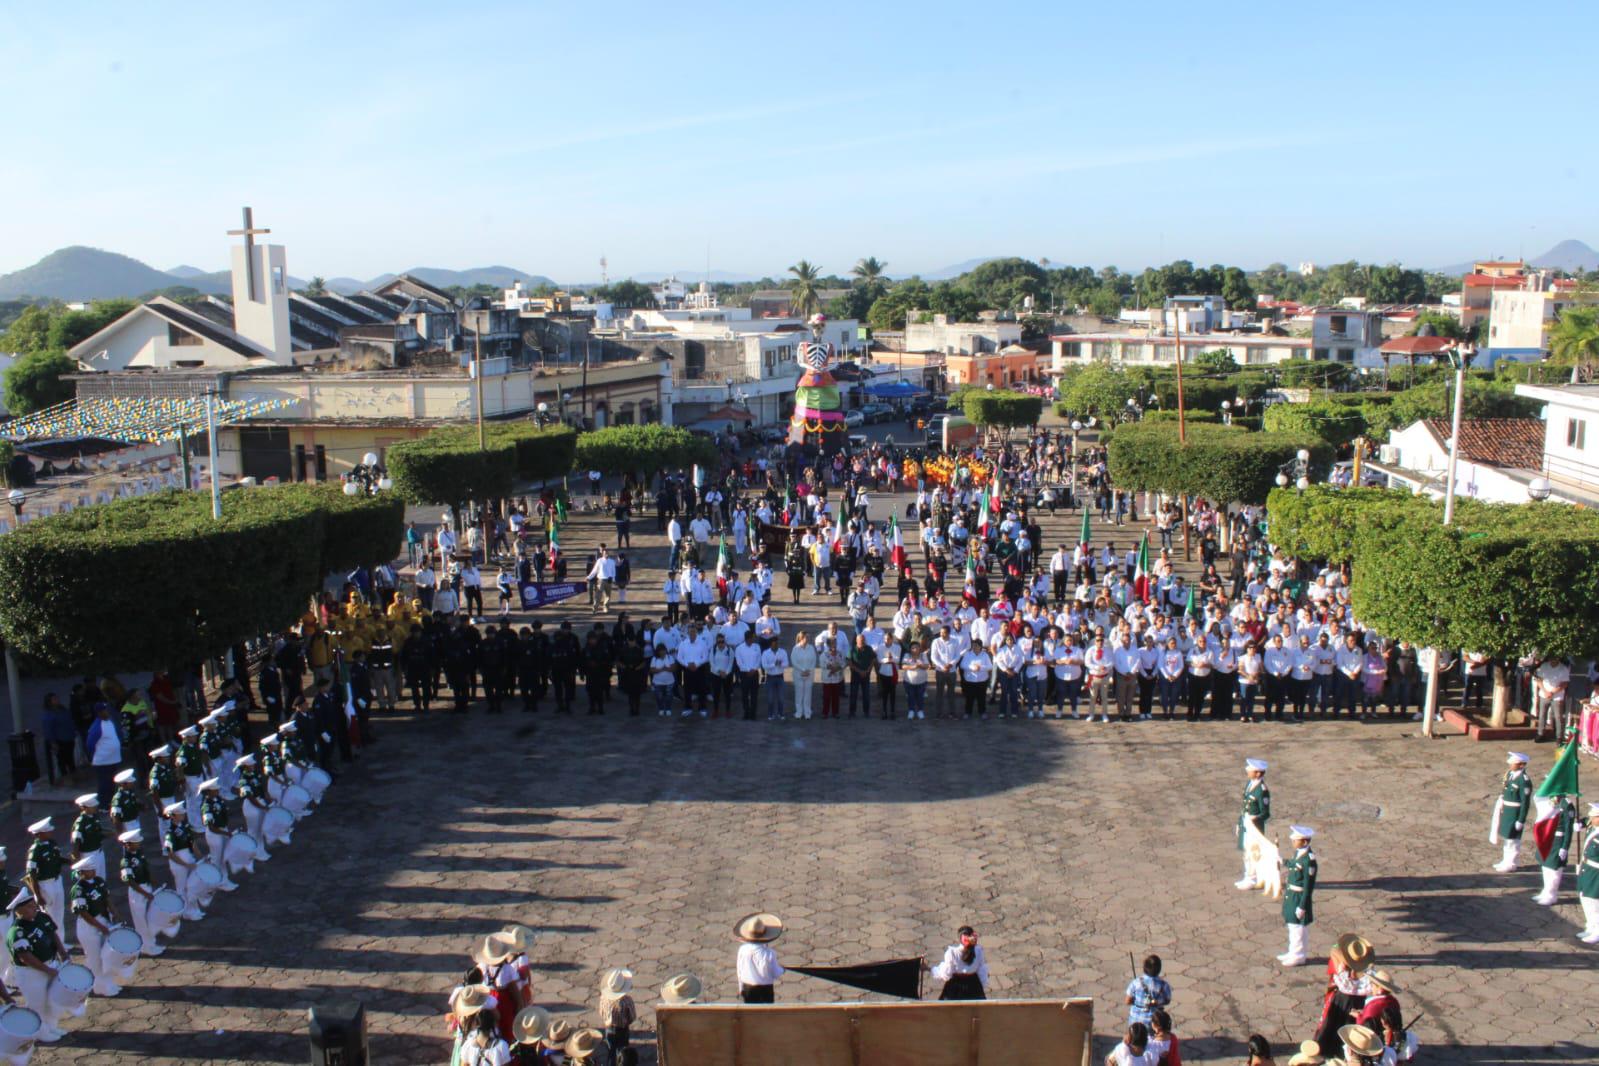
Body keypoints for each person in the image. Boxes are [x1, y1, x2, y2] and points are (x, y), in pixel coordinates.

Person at [6, 888, 68, 1043]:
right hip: (31, 973)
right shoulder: (17, 932)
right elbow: (26, 957)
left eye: (33, 904)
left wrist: (63, 953)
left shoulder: (41, 917)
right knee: (37, 1004)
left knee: (50, 1000)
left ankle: (50, 1027)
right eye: (29, 906)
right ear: (19, 911)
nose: (34, 907)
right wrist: (48, 970)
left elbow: (53, 934)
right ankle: (39, 1032)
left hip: (49, 965)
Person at [69, 856, 122, 996]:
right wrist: (100, 926)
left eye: (93, 869)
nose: (93, 871)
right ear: (82, 872)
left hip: (103, 919)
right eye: (90, 870)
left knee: (107, 955)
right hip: (89, 926)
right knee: (95, 958)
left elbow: (106, 898)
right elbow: (83, 912)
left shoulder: (99, 881)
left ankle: (108, 983)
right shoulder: (78, 889)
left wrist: (114, 912)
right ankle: (99, 987)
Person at [23, 817, 68, 952]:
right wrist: (38, 895)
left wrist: (70, 861)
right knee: (49, 916)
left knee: (59, 913)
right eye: (48, 831)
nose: (51, 833)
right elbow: (32, 875)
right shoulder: (35, 851)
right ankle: (52, 945)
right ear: (40, 834)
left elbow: (57, 859)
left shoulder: (51, 843)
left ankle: (62, 943)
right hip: (44, 885)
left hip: (56, 881)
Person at [118, 828, 163, 957]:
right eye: (136, 842)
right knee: (141, 920)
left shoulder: (139, 853)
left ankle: (152, 943)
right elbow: (130, 882)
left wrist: (153, 881)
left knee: (149, 917)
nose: (139, 843)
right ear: (128, 844)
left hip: (146, 887)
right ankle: (145, 946)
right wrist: (145, 893)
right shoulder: (125, 862)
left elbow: (145, 869)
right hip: (137, 892)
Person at [1279, 825, 1317, 967]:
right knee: (1292, 926)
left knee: (1298, 929)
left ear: (1305, 842)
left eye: (1296, 840)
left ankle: (1299, 955)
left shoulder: (1309, 860)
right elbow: (1293, 864)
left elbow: (1308, 886)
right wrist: (1282, 861)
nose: (1293, 842)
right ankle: (1292, 951)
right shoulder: (1298, 854)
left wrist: (1302, 905)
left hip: (1299, 897)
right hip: (1292, 894)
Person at [1491, 751, 1532, 872]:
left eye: (1513, 763)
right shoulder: (1510, 775)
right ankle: (1506, 860)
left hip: (1515, 813)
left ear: (1521, 765)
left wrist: (1521, 820)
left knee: (1513, 840)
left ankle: (1512, 863)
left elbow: (1525, 802)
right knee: (1506, 838)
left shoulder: (1524, 780)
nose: (1510, 765)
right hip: (1507, 810)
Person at [1235, 759, 1271, 889]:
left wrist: (1254, 818)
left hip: (1254, 827)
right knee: (1246, 852)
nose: (1247, 771)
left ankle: (1252, 878)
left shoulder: (1262, 791)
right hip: (1246, 824)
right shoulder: (1249, 784)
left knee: (1253, 853)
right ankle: (1247, 876)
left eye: (1250, 770)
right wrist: (1240, 823)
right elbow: (1244, 806)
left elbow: (1265, 813)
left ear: (1257, 773)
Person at [733, 911, 784, 1003]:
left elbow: (739, 971)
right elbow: (775, 973)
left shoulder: (742, 950)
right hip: (765, 989)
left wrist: (741, 988)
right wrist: (782, 970)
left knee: (750, 1014)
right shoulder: (770, 953)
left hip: (748, 988)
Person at [931, 925, 989, 1000]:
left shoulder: (952, 953)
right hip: (974, 986)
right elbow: (982, 973)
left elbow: (946, 974)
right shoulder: (978, 951)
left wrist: (930, 969)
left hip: (955, 988)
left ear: (959, 938)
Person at [597, 966, 637, 1058]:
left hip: (609, 1028)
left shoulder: (603, 998)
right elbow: (632, 1017)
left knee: (611, 1051)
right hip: (622, 1030)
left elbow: (601, 1013)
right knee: (622, 1052)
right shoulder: (626, 1001)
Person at [1125, 954, 1172, 1027]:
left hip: (1136, 1021)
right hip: (1155, 1022)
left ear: (1144, 968)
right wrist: (1157, 1002)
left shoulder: (1136, 983)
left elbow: (1127, 1001)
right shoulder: (1164, 985)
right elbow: (1167, 1001)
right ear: (1159, 970)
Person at [69, 793, 107, 881]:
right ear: (84, 808)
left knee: (101, 878)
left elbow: (98, 831)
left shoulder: (94, 817)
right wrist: (77, 861)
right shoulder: (80, 823)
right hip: (88, 855)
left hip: (99, 851)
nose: (95, 807)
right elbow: (76, 843)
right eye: (92, 806)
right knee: (90, 879)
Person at [1580, 802, 1599, 944]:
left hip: (1596, 873)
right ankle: (1590, 926)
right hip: (1587, 868)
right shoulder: (1593, 827)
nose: (1591, 818)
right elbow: (1583, 821)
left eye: (1594, 816)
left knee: (1594, 902)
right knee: (1585, 898)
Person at [790, 632, 817, 720]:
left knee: (808, 694)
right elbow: (794, 661)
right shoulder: (795, 648)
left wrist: (808, 670)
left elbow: (814, 660)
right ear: (801, 638)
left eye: (808, 638)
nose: (808, 639)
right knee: (799, 694)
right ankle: (799, 712)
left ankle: (807, 712)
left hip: (809, 674)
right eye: (806, 638)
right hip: (798, 674)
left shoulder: (811, 648)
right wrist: (802, 670)